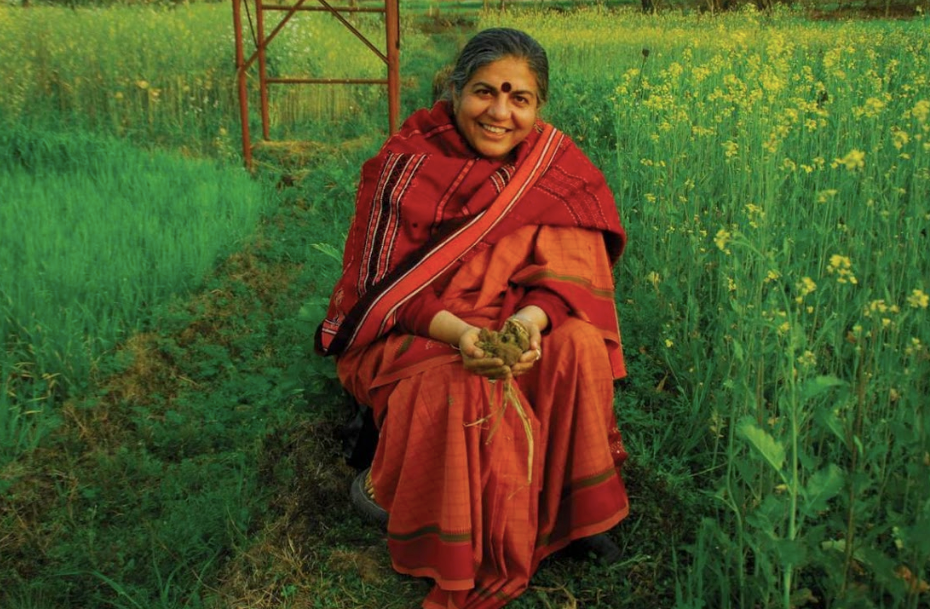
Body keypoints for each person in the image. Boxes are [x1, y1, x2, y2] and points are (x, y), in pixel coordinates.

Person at [316, 27, 630, 609]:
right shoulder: (404, 165)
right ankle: (420, 505)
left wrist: (527, 326)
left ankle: (574, 510)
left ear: (538, 106)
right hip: (413, 332)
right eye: (485, 92)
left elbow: (567, 275)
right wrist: (464, 335)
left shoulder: (554, 169)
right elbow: (383, 293)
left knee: (579, 344)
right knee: (462, 385)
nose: (500, 112)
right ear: (456, 91)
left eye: (520, 98)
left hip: (512, 318)